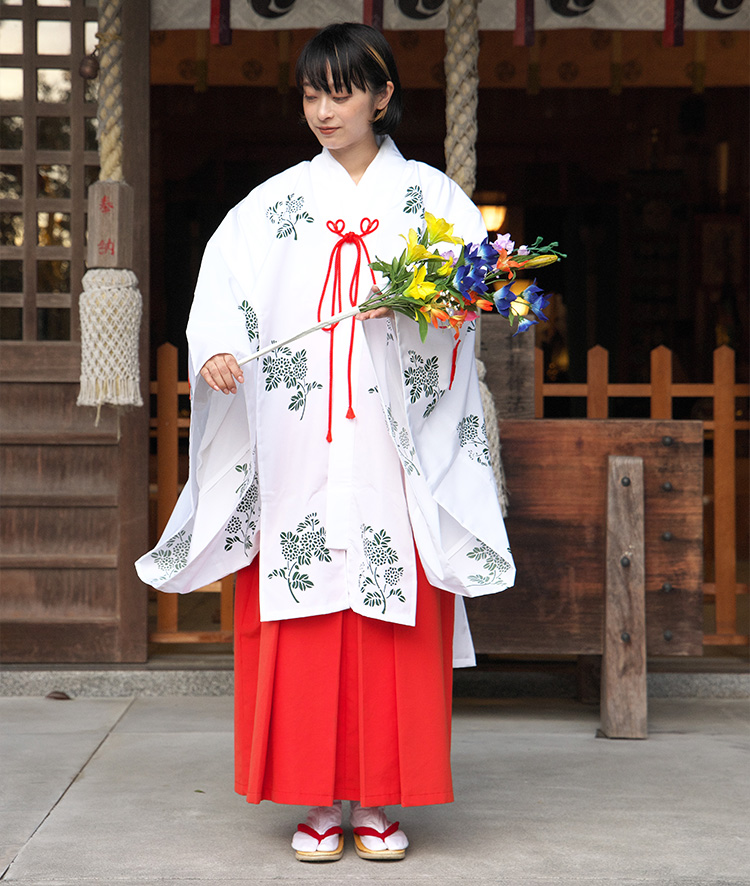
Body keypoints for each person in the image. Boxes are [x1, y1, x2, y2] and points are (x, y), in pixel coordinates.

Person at [136, 22, 515, 862]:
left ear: (383, 96)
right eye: (312, 93)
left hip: (391, 445)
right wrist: (222, 353)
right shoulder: (271, 207)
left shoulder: (433, 200)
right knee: (305, 606)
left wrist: (418, 310)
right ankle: (314, 800)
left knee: (387, 608)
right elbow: (223, 290)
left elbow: (472, 294)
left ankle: (381, 800)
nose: (323, 109)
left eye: (341, 91)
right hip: (300, 437)